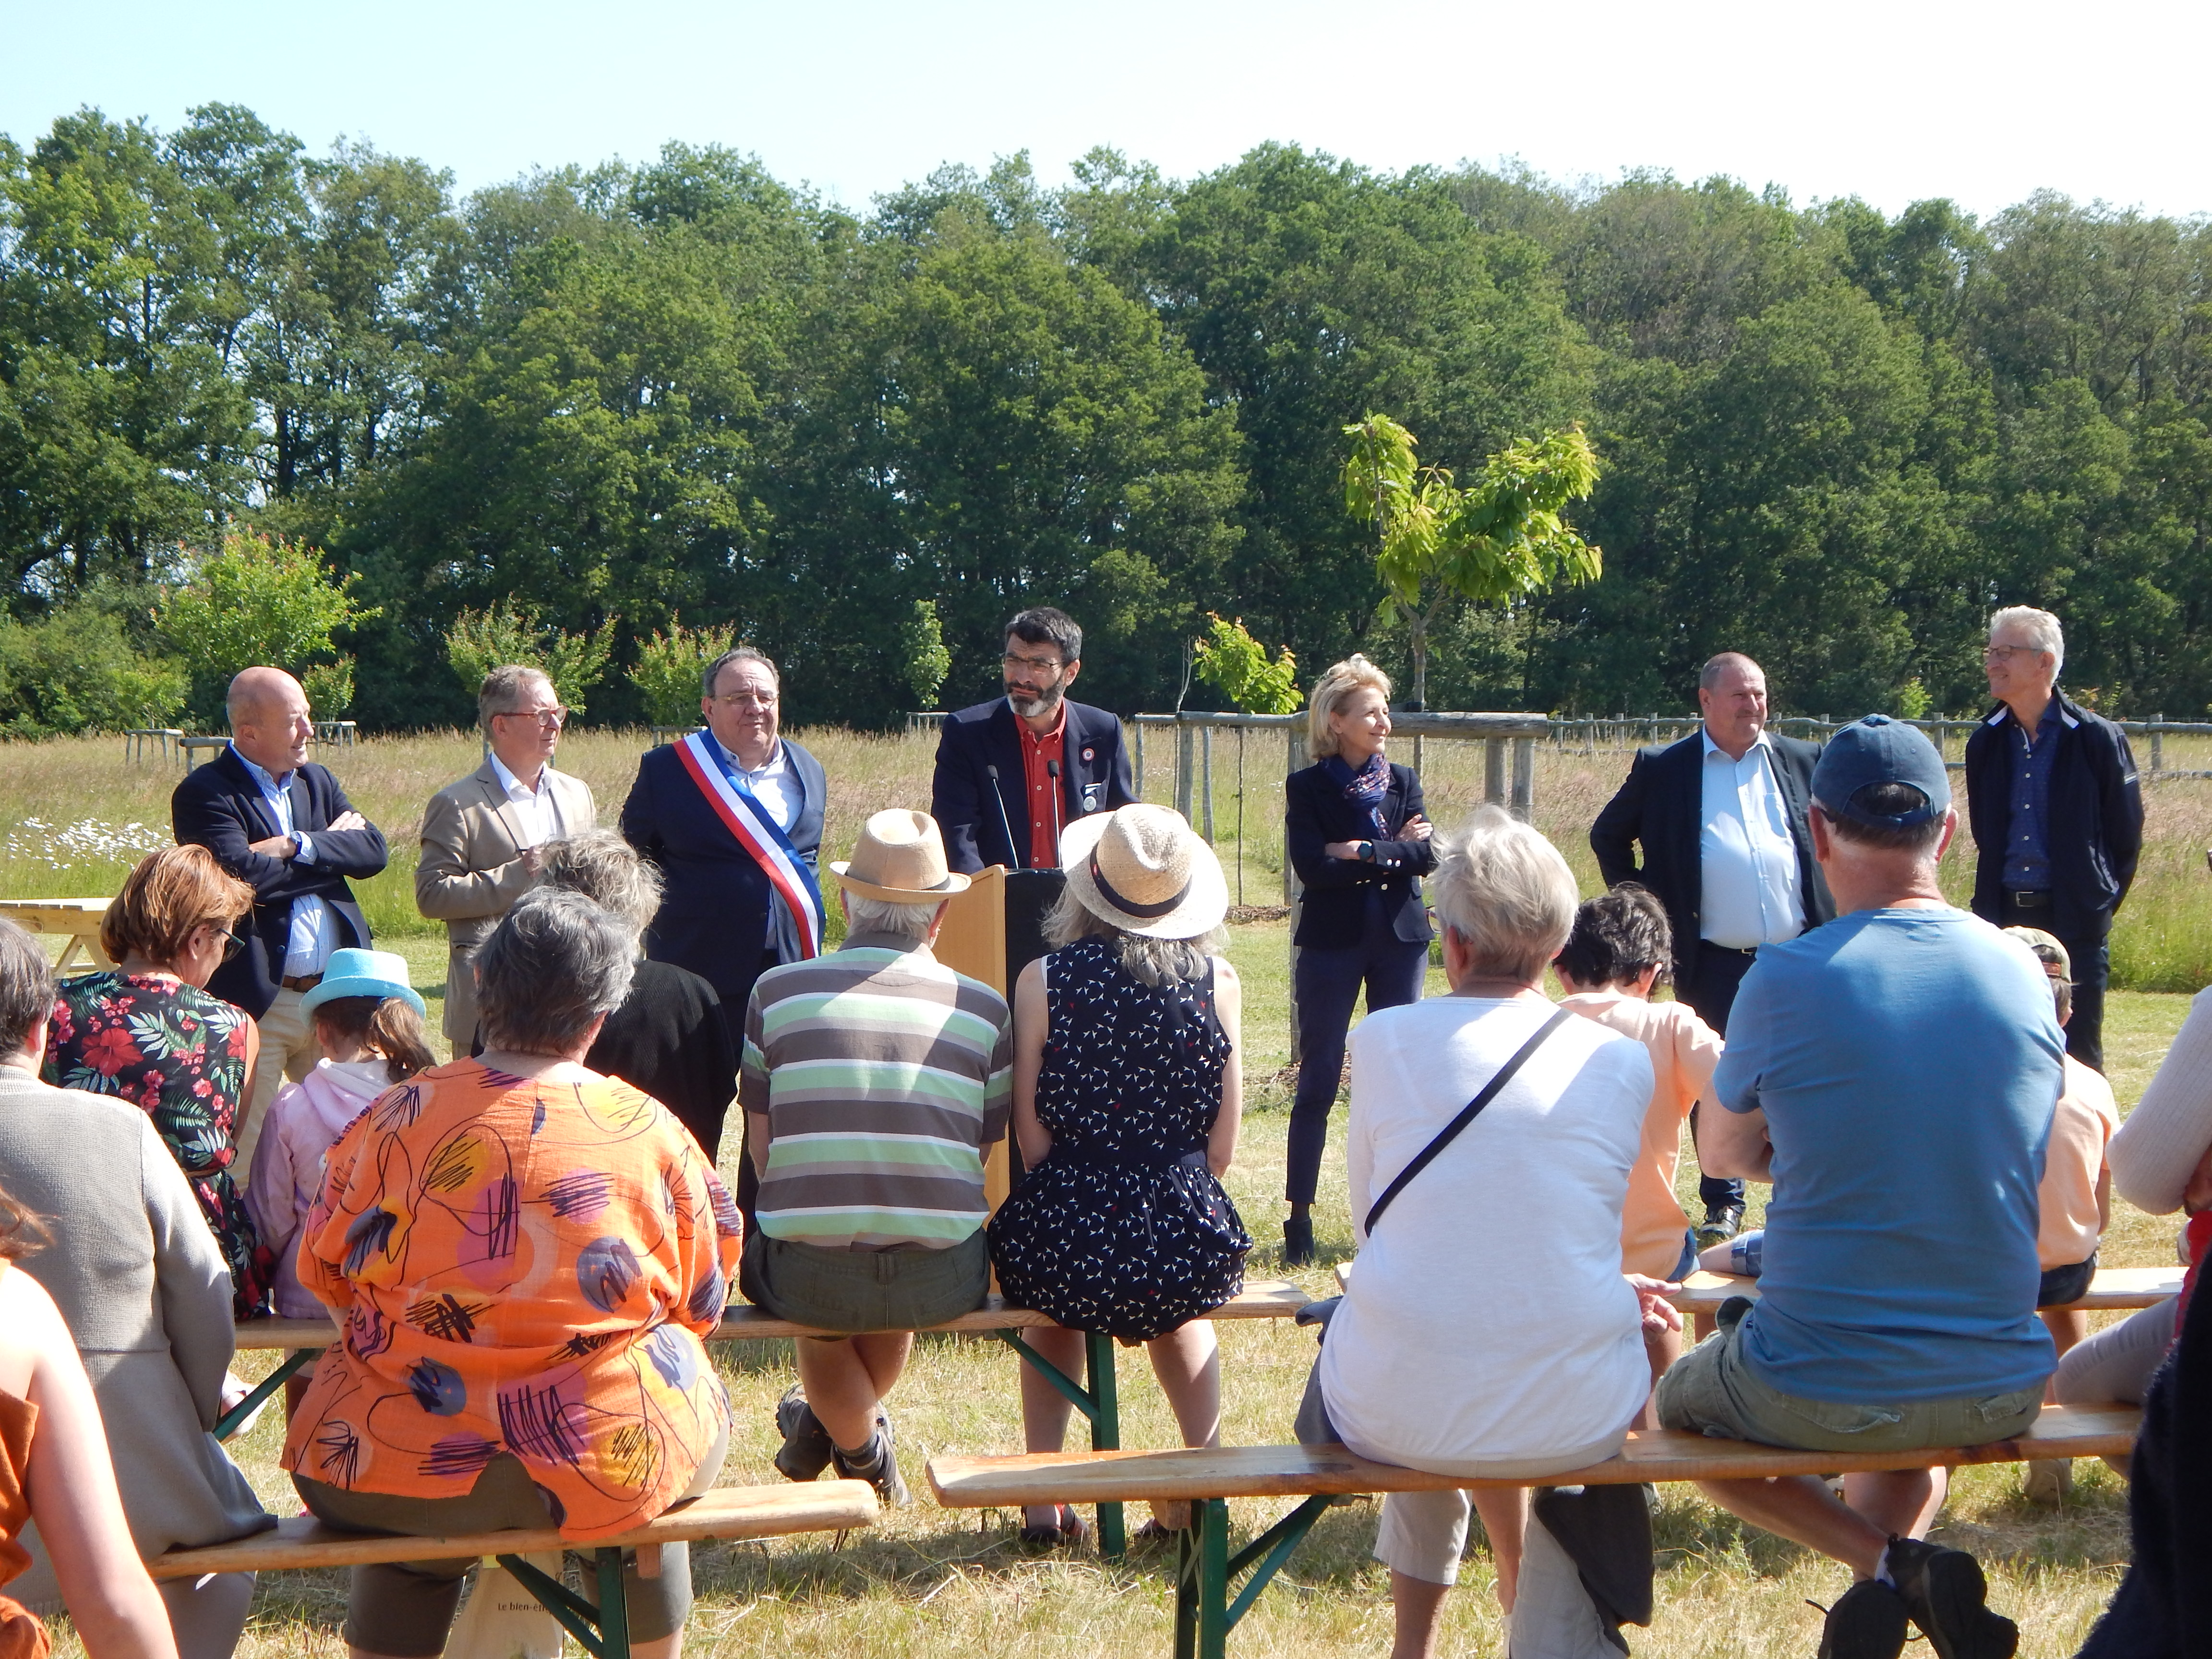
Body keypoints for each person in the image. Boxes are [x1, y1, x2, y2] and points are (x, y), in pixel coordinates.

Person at [1653, 715, 2060, 1659]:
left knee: (1678, 1407)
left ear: (1818, 832)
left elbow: (1718, 1152)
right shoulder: (2022, 971)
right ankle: (1886, 1584)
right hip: (2001, 1380)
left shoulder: (1783, 980)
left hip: (1818, 1379)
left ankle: (1883, 1567)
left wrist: (1800, 1151)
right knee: (1908, 1415)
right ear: (1949, 834)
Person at [282, 888, 738, 1659]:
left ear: (485, 989)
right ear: (604, 1010)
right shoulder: (651, 1131)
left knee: (407, 1541)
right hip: (614, 1452)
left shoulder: (393, 1118)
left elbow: (327, 1269)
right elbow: (704, 1296)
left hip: (393, 1457)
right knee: (651, 1478)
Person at [1310, 806, 1675, 1659]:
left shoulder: (1385, 1037)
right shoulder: (1619, 1059)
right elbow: (1565, 1219)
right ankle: (1539, 1624)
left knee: (1423, 1337)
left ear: (1452, 942)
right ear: (1554, 949)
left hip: (1394, 1401)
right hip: (1574, 1408)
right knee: (1512, 1373)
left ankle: (1413, 1646)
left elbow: (1378, 1223)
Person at [0, 919, 272, 1659]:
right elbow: (205, 1291)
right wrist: (190, 1409)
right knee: (229, 1555)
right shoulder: (119, 1130)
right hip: (136, 1486)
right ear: (39, 1029)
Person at [987, 804, 1249, 1546]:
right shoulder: (1218, 980)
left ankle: (1045, 1504)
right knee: (1185, 1313)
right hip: (1183, 1228)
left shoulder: (1043, 978)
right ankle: (1200, 1488)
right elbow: (1222, 1147)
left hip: (1064, 1226)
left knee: (1052, 1318)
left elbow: (1031, 1142)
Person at [741, 810, 1009, 1507]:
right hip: (944, 1270)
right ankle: (847, 1439)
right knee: (888, 1277)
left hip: (807, 1265)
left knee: (824, 1311)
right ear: (941, 914)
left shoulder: (776, 994)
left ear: (844, 900)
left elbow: (761, 1145)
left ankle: (851, 1446)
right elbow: (980, 1147)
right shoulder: (985, 1010)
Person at [171, 665, 389, 1167]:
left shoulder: (316, 780)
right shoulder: (206, 793)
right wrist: (331, 858)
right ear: (250, 732)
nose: (309, 731)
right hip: (260, 1002)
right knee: (246, 1152)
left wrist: (296, 845)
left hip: (334, 996)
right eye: (296, 721)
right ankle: (243, 1247)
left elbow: (374, 852)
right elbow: (240, 880)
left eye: (307, 717)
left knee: (360, 1139)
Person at [42, 846, 271, 1319]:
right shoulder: (234, 1027)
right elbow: (219, 1142)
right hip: (194, 1259)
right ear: (199, 939)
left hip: (67, 1242)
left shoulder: (52, 1008)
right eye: (227, 942)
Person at [621, 647, 823, 1137]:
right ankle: (688, 1211)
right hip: (698, 972)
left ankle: (760, 1215)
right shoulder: (668, 769)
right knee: (692, 1109)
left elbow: (803, 861)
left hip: (787, 970)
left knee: (782, 1109)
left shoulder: (808, 768)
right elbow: (630, 859)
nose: (754, 707)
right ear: (709, 708)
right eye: (738, 697)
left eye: (764, 695)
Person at [1281, 654, 1437, 1267]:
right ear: (1337, 720)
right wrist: (1396, 850)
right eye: (1371, 712)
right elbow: (1313, 870)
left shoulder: (1403, 780)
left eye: (1386, 710)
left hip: (1400, 940)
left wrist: (1365, 849)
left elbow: (1430, 857)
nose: (1384, 723)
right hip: (1332, 946)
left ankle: (1397, 1212)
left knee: (1397, 1080)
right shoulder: (1307, 787)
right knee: (1318, 1078)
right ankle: (1300, 1217)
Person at [1553, 885, 1721, 1391]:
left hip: (1560, 1249)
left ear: (1561, 969)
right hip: (1650, 1248)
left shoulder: (1534, 1025)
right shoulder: (1669, 1024)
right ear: (1649, 975)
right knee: (1686, 1252)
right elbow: (1743, 1089)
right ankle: (1660, 1404)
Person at [1965, 605, 2144, 1070]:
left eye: (2005, 652)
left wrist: (2095, 903)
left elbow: (2125, 838)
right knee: (2001, 1055)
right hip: (2002, 920)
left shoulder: (2095, 739)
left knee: (2079, 1059)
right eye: (1990, 651)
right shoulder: (1985, 742)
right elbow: (1987, 835)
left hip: (2075, 922)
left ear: (2044, 662)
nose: (1992, 663)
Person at [243, 950, 434, 1322]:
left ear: (322, 1031)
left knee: (309, 1382)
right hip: (408, 1297)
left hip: (312, 1297)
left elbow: (272, 1218)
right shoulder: (431, 1102)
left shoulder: (292, 1107)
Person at [416, 664, 596, 1055]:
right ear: (501, 725)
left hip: (570, 993)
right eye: (541, 715)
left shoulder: (576, 793)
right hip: (490, 1000)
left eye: (558, 713)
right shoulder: (457, 803)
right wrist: (521, 873)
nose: (555, 724)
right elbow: (431, 894)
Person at [2053, 984, 2212, 1417]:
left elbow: (2145, 1183)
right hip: (2066, 1265)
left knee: (2078, 1377)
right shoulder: (2091, 1086)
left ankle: (2176, 1483)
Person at [1999, 927, 2118, 1508]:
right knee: (2065, 1315)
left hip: (1991, 1270)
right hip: (2068, 1264)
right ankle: (2059, 1440)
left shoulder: (1974, 1082)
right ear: (2067, 1011)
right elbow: (2104, 1197)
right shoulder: (2093, 1084)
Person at [536, 831, 739, 1163]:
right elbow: (719, 1093)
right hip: (673, 1184)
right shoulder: (690, 993)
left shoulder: (519, 986)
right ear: (642, 903)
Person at [930, 607, 1136, 875]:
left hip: (1081, 905)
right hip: (998, 901)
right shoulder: (967, 733)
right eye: (1013, 660)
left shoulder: (1103, 731)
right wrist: (985, 900)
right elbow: (956, 833)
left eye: (1039, 665)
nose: (1022, 677)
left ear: (1070, 673)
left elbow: (1122, 822)